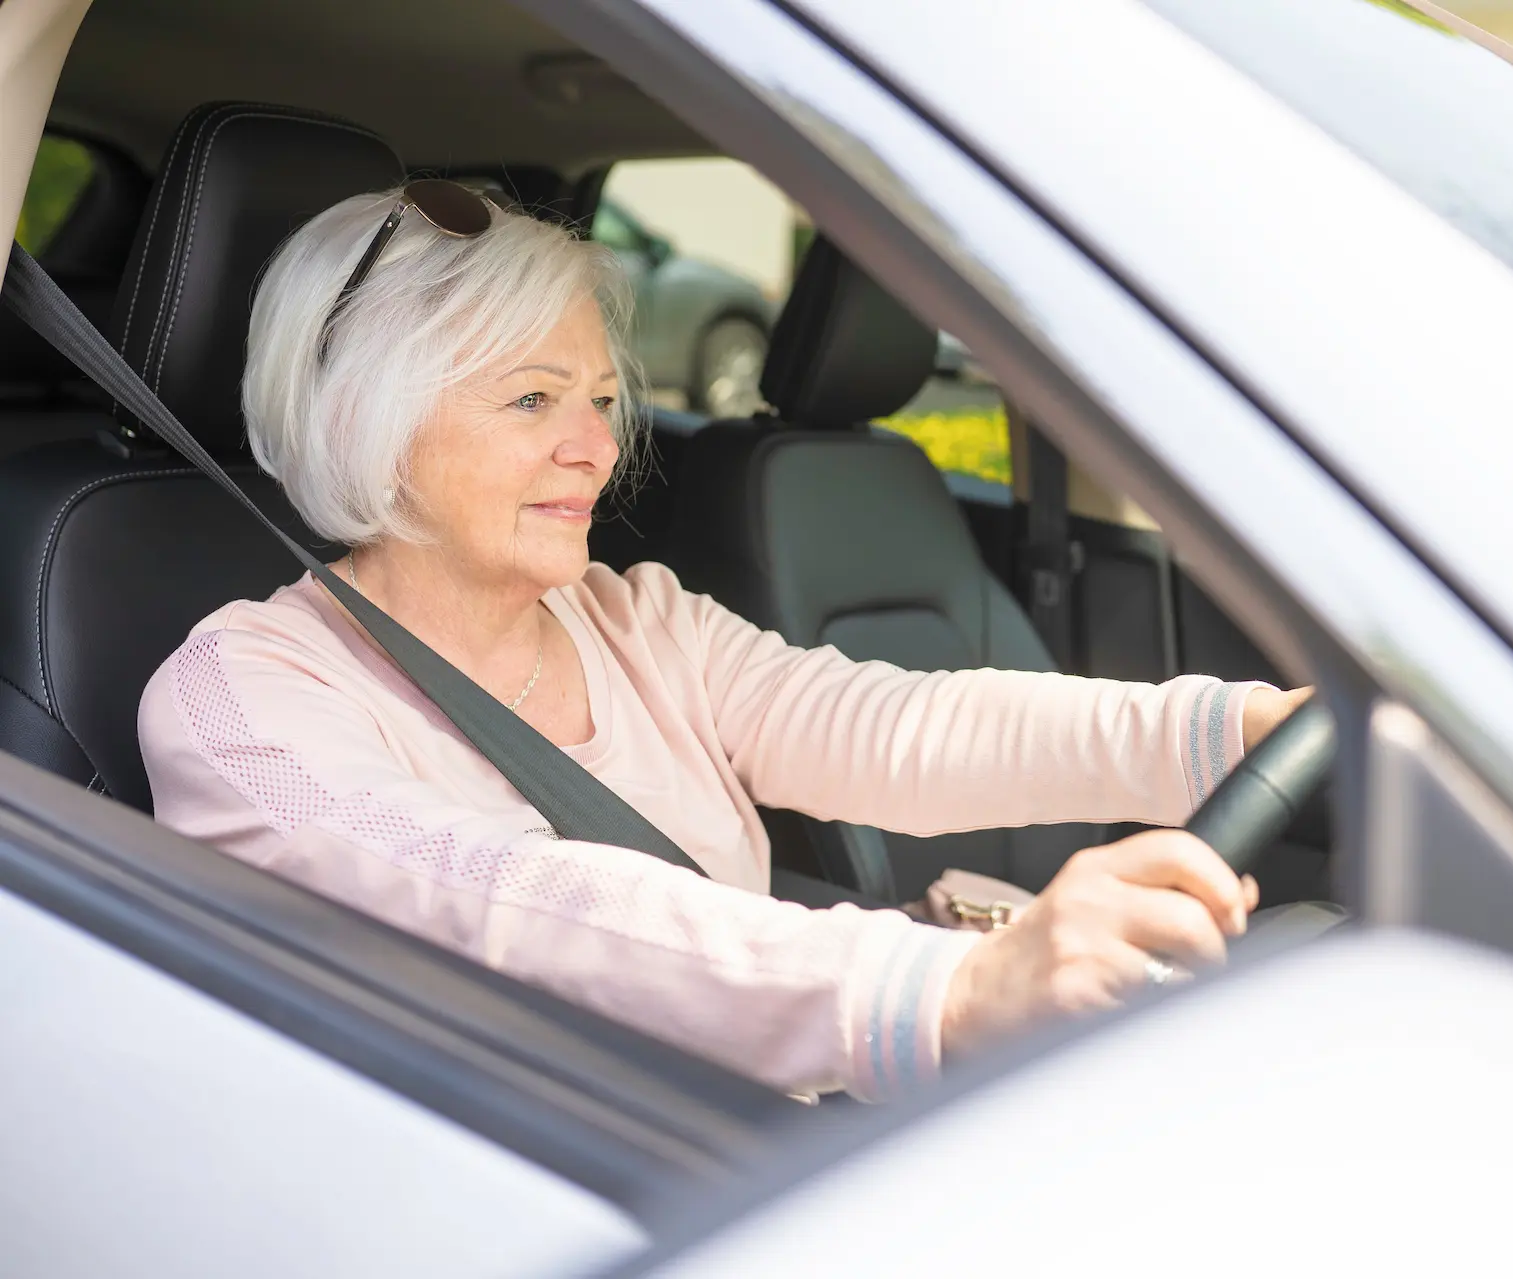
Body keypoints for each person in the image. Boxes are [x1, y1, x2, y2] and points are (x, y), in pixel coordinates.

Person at [138, 183, 1311, 1102]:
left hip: (766, 1136)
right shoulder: (242, 699)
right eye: (533, 400)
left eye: (601, 399)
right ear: (370, 423)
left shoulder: (633, 617)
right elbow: (499, 898)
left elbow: (888, 726)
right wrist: (949, 992)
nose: (595, 449)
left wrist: (1227, 731)